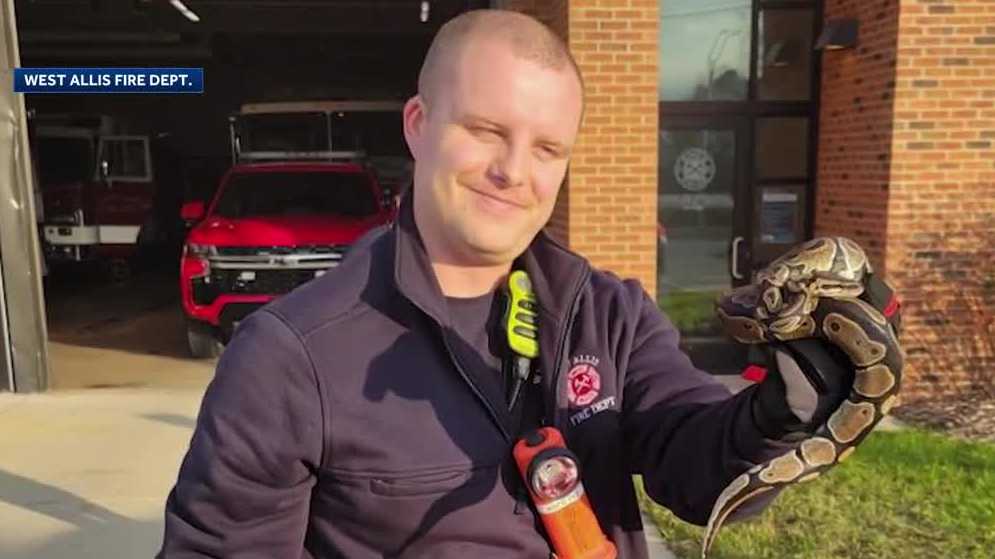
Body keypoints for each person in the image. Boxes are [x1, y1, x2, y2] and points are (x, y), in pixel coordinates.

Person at [158, 10, 877, 558]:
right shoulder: (289, 357)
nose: (513, 170)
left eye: (546, 147)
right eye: (484, 130)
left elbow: (693, 468)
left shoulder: (609, 314)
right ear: (417, 125)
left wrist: (776, 411)